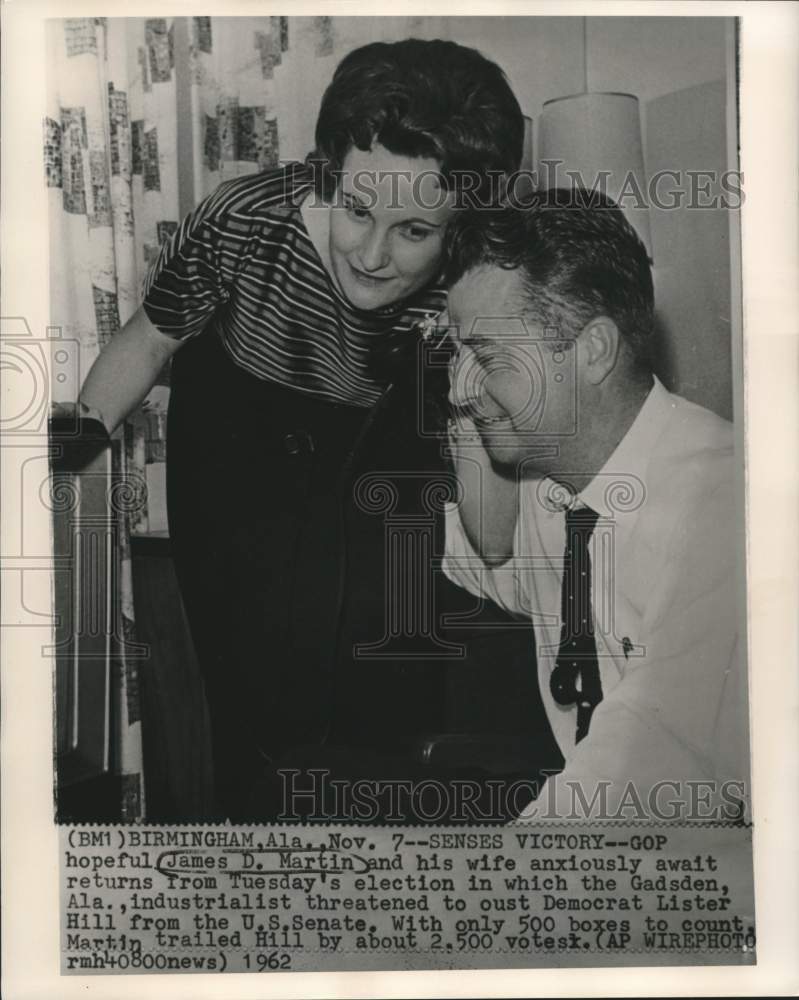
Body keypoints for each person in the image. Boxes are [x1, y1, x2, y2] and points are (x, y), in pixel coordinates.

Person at [79, 39, 556, 821]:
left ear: (462, 223)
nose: (371, 254)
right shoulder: (243, 219)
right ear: (327, 170)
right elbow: (148, 341)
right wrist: (59, 472)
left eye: (413, 231)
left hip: (377, 458)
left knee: (371, 728)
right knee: (256, 730)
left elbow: (493, 538)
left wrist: (468, 383)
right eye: (357, 209)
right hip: (237, 445)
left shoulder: (470, 289)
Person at [442, 190, 749, 819]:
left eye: (488, 355)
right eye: (457, 355)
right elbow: (479, 558)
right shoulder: (548, 486)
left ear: (594, 350)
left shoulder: (723, 505)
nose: (459, 383)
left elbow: (649, 758)